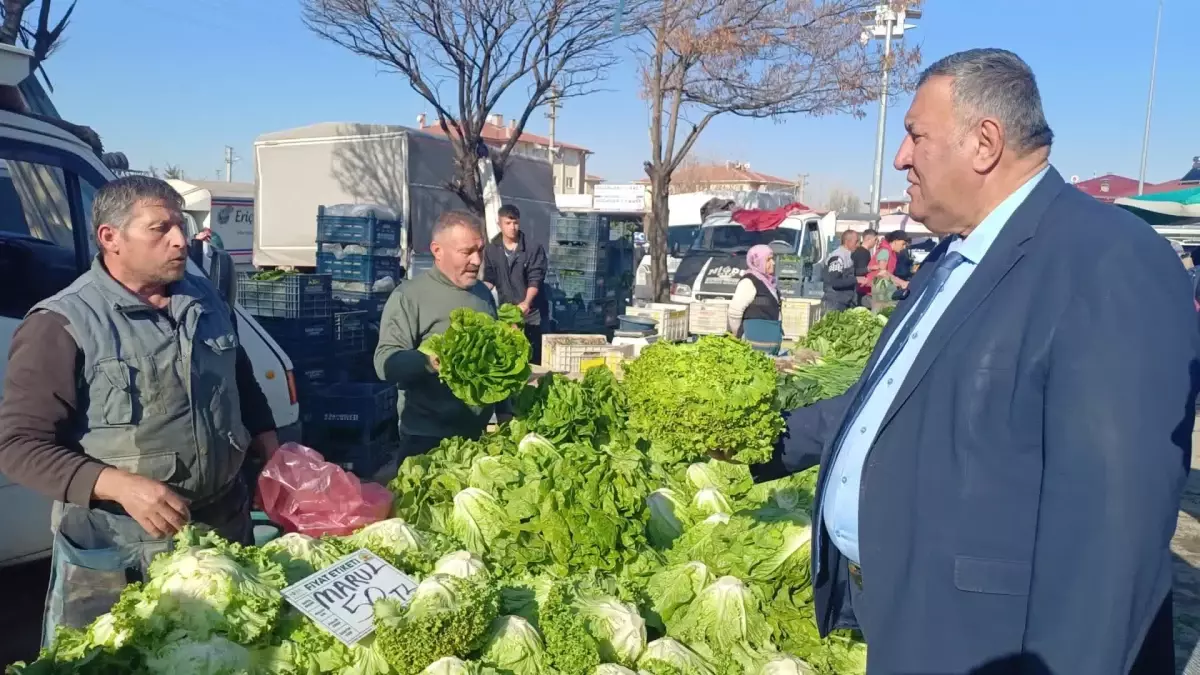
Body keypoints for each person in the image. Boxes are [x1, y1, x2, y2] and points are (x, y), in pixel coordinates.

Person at [774, 49, 1197, 673]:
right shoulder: (953, 258)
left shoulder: (1105, 260)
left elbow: (1112, 543)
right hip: (910, 621)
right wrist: (751, 439)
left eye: (916, 135)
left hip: (991, 644)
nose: (901, 158)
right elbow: (884, 409)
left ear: (985, 143)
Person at [0, 176, 279, 646]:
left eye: (181, 226)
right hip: (120, 548)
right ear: (111, 238)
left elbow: (239, 372)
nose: (180, 240)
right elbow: (18, 446)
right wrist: (119, 485)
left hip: (221, 527)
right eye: (160, 228)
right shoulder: (61, 323)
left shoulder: (202, 296)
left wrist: (267, 440)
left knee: (230, 654)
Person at [375, 210, 498, 459]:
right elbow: (384, 362)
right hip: (425, 440)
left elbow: (496, 362)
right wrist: (432, 360)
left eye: (480, 250)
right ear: (437, 250)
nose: (476, 260)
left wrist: (506, 411)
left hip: (475, 437)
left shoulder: (484, 295)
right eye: (466, 252)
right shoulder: (409, 296)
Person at [481, 204, 548, 365]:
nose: (512, 227)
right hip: (507, 312)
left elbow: (535, 279)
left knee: (532, 356)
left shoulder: (533, 248)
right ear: (500, 224)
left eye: (515, 223)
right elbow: (489, 279)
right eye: (508, 223)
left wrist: (526, 303)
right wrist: (477, 294)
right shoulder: (491, 249)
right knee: (509, 355)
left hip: (532, 313)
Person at [727, 244, 782, 354]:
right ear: (757, 262)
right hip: (752, 344)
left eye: (772, 259)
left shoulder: (769, 283)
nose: (773, 263)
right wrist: (737, 334)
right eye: (768, 260)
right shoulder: (749, 282)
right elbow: (734, 312)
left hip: (769, 344)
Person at [822, 230, 861, 311]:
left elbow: (848, 274)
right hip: (835, 302)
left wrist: (867, 269)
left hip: (845, 301)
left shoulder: (847, 255)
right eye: (856, 241)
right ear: (847, 241)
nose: (858, 245)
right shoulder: (837, 257)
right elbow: (835, 282)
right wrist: (856, 279)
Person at [852, 228, 877, 306]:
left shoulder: (859, 251)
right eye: (875, 239)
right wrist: (870, 269)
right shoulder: (863, 253)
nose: (876, 242)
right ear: (868, 238)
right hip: (859, 289)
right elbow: (859, 271)